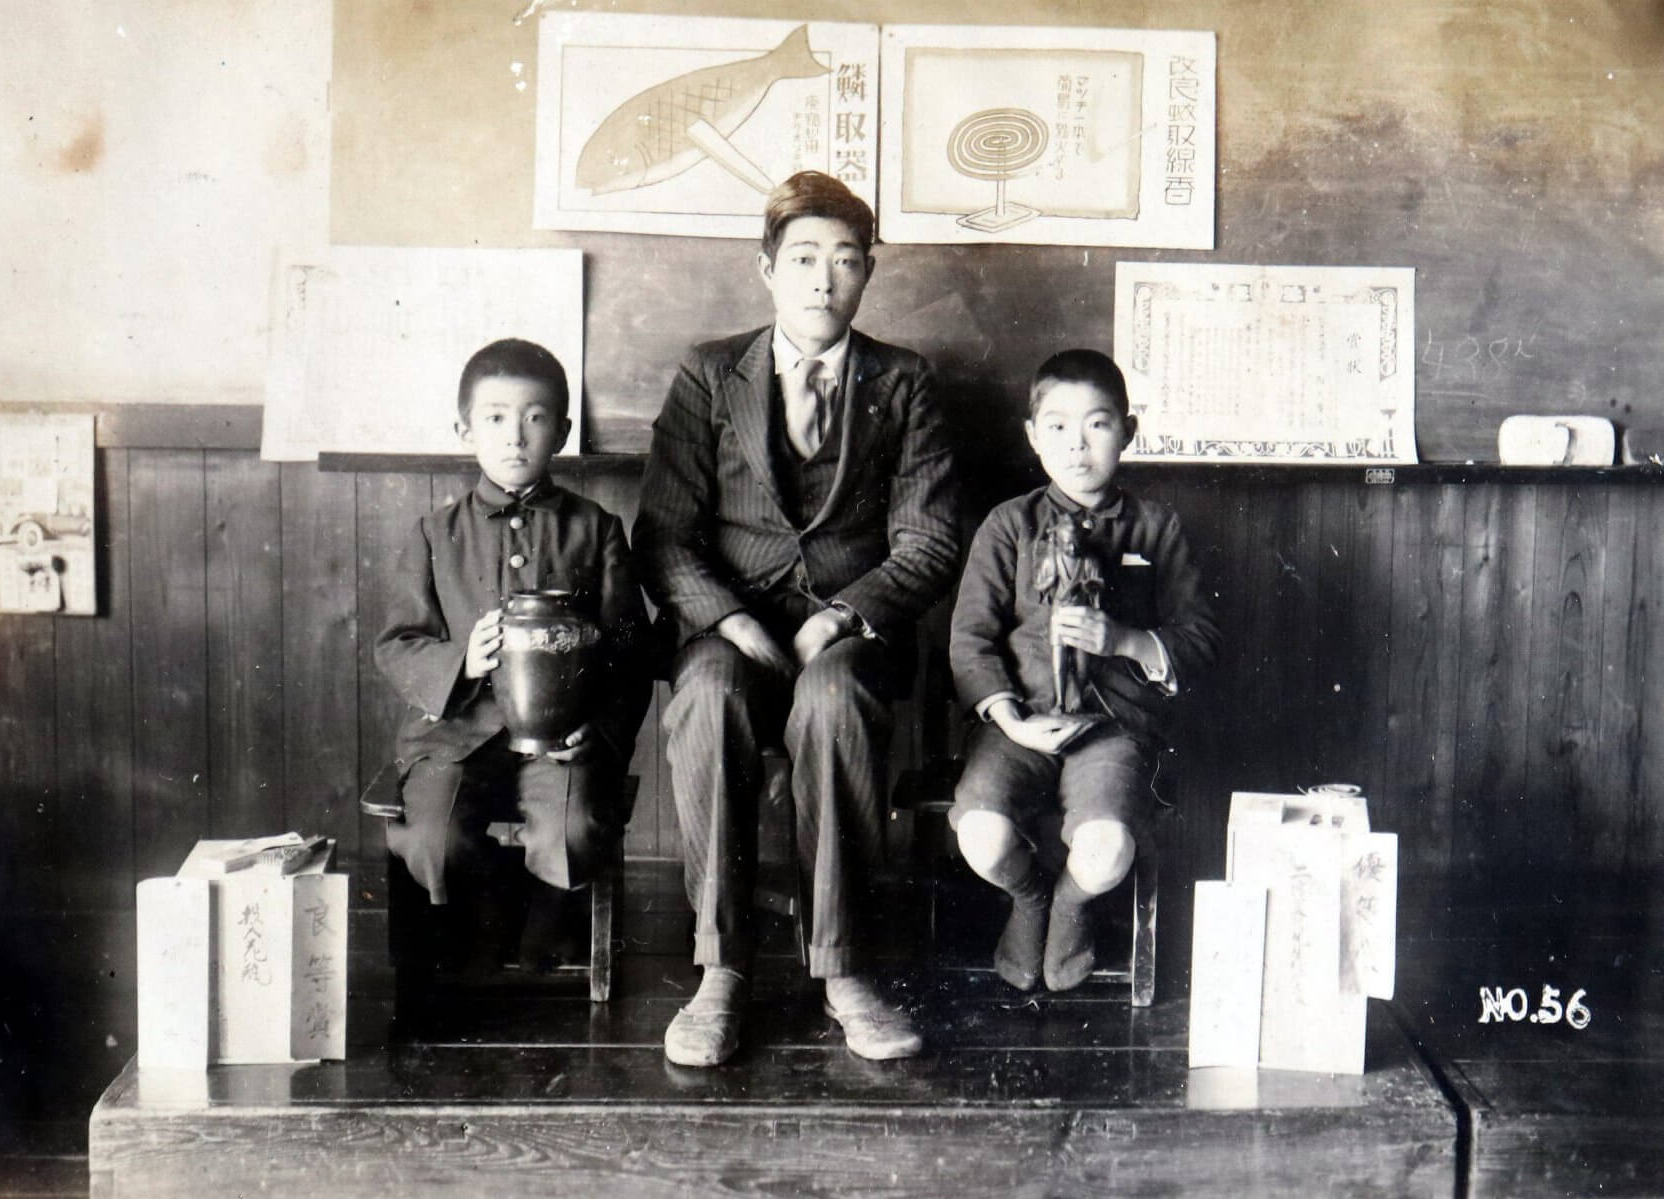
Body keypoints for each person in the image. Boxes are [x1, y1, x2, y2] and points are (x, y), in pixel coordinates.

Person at [633, 171, 960, 1065]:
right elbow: (663, 536)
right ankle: (721, 968)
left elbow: (930, 541)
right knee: (709, 699)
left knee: (834, 701)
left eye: (846, 261)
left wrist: (845, 615)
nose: (824, 279)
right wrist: (733, 623)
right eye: (805, 258)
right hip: (730, 627)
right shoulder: (710, 374)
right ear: (767, 268)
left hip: (849, 637)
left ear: (868, 274)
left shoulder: (904, 382)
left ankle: (844, 968)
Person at [948, 349, 1221, 992]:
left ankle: (1070, 904)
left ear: (1128, 430)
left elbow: (1201, 638)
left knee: (1107, 851)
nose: (1077, 444)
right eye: (1058, 426)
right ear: (1033, 436)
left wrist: (1126, 639)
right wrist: (1011, 720)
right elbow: (970, 641)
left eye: (1097, 424)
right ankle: (1031, 899)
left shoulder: (1156, 528)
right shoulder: (1008, 526)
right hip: (1020, 727)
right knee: (982, 837)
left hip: (1113, 731)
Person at [376, 338, 650, 968]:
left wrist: (600, 729)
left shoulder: (595, 528)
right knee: (434, 838)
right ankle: (488, 911)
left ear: (562, 432)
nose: (516, 437)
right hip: (455, 734)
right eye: (496, 418)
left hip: (561, 738)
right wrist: (462, 663)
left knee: (573, 830)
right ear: (464, 430)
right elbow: (398, 644)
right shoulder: (435, 534)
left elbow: (630, 651)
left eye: (535, 418)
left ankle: (549, 922)